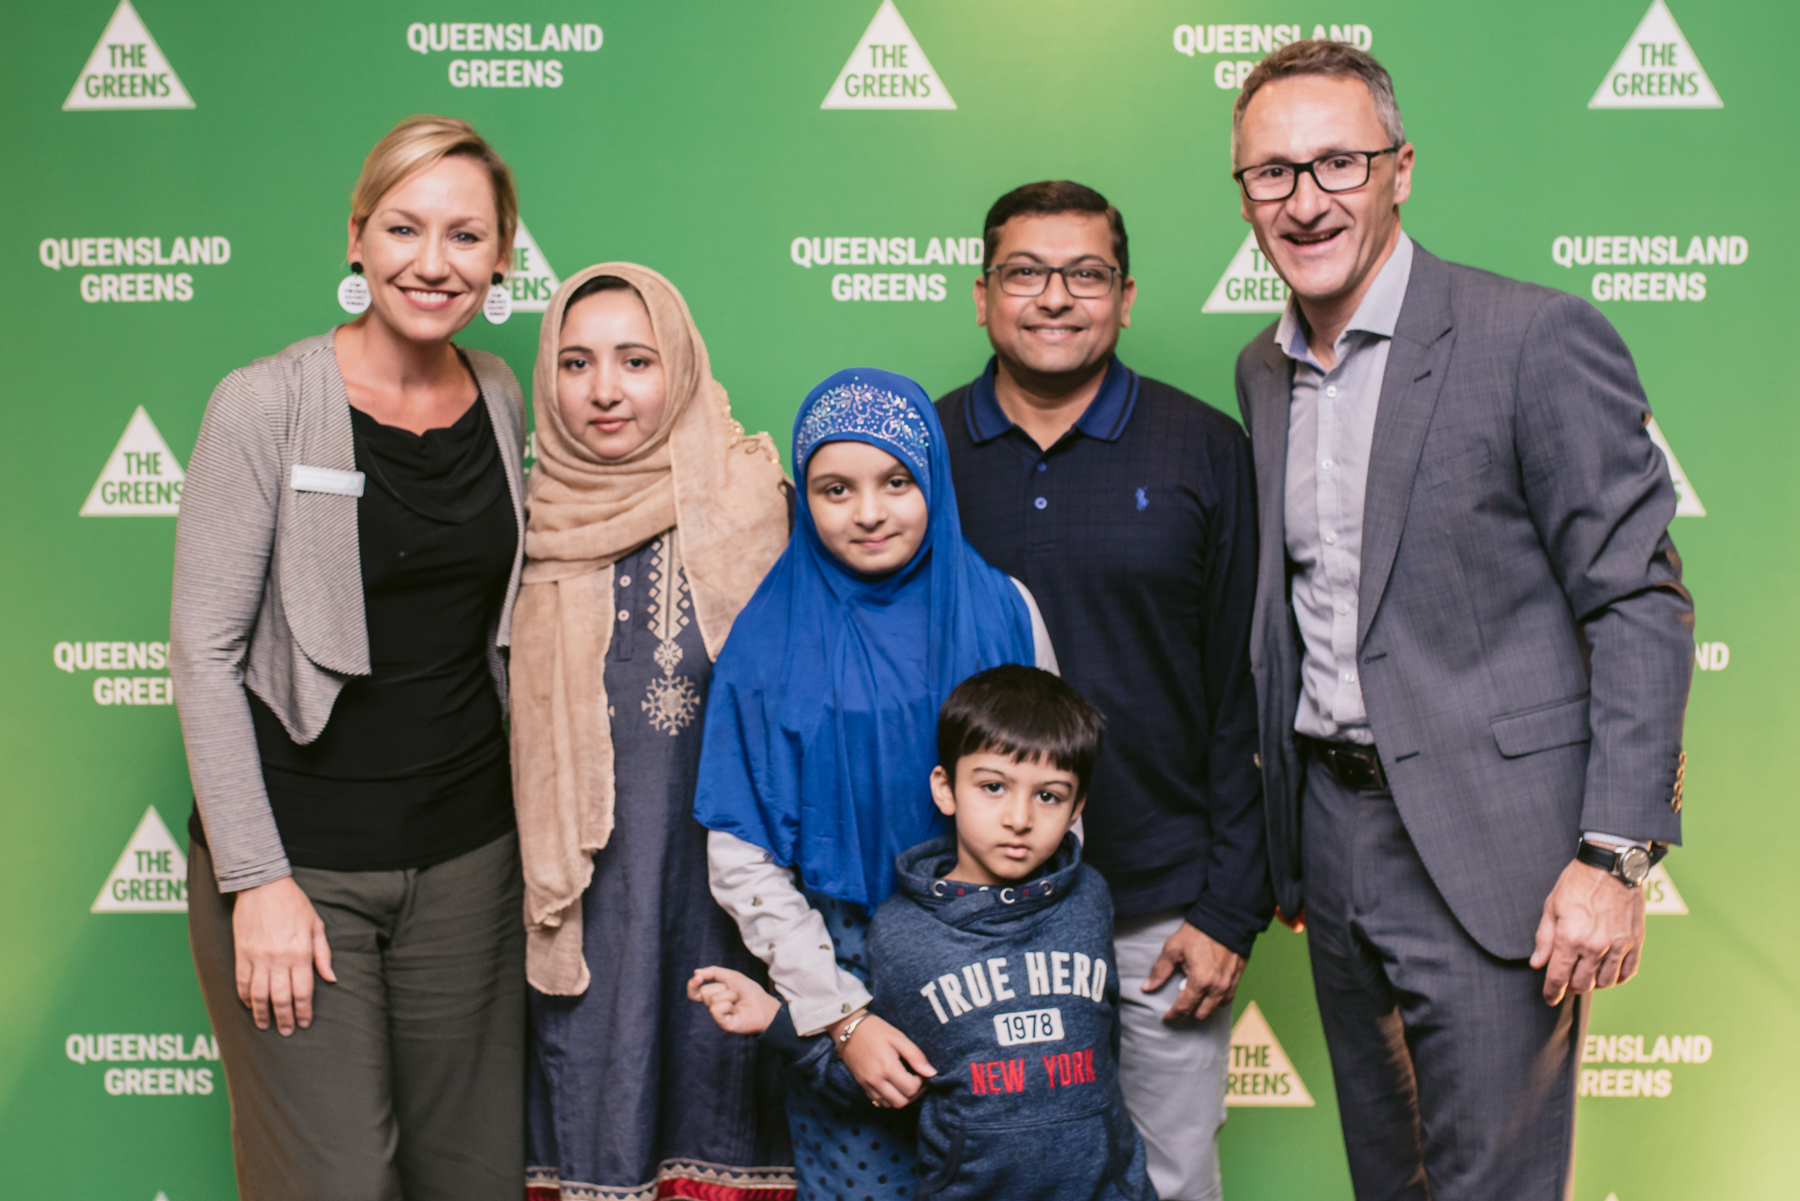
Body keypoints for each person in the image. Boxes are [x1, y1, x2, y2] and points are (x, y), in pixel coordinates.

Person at [1228, 40, 1694, 1199]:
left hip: (1500, 852)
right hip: (1333, 846)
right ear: (1244, 196)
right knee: (1391, 1177)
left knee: (1493, 1183)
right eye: (1271, 174)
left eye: (1337, 161)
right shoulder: (1260, 368)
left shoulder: (1530, 340)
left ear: (1401, 169)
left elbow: (1639, 599)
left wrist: (1615, 854)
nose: (1305, 200)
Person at [171, 115, 530, 1199]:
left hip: (471, 858)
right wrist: (257, 881)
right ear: (357, 238)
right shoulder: (264, 403)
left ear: (503, 255)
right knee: (332, 1183)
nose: (434, 263)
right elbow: (202, 654)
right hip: (303, 861)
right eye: (405, 228)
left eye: (465, 236)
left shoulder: (506, 398)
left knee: (470, 1177)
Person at [936, 180, 1267, 1201]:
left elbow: (1246, 691)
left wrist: (1229, 905)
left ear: (1124, 297)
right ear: (982, 294)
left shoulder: (1206, 450)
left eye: (1085, 273)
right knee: (981, 1175)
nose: (1055, 296)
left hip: (1157, 906)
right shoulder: (920, 454)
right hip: (967, 914)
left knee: (1169, 1177)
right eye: (1026, 272)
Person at [692, 368, 1058, 1201]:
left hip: (1003, 960)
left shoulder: (1004, 609)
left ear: (933, 479)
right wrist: (840, 1016)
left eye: (896, 481)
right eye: (834, 487)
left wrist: (1032, 956)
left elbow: (1059, 798)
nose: (868, 511)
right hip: (847, 966)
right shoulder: (767, 641)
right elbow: (741, 852)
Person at [508, 263, 794, 1200]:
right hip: (582, 903)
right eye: (577, 362)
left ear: (678, 363)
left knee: (728, 1094)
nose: (604, 389)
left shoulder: (758, 498)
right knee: (591, 1110)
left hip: (728, 899)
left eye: (636, 360)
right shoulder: (522, 518)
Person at [691, 665, 1156, 1201]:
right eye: (993, 787)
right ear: (946, 789)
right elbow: (884, 1076)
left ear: (1077, 808)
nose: (1019, 818)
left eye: (1049, 796)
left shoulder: (1089, 899)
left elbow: (1107, 1040)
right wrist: (775, 1021)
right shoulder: (902, 932)